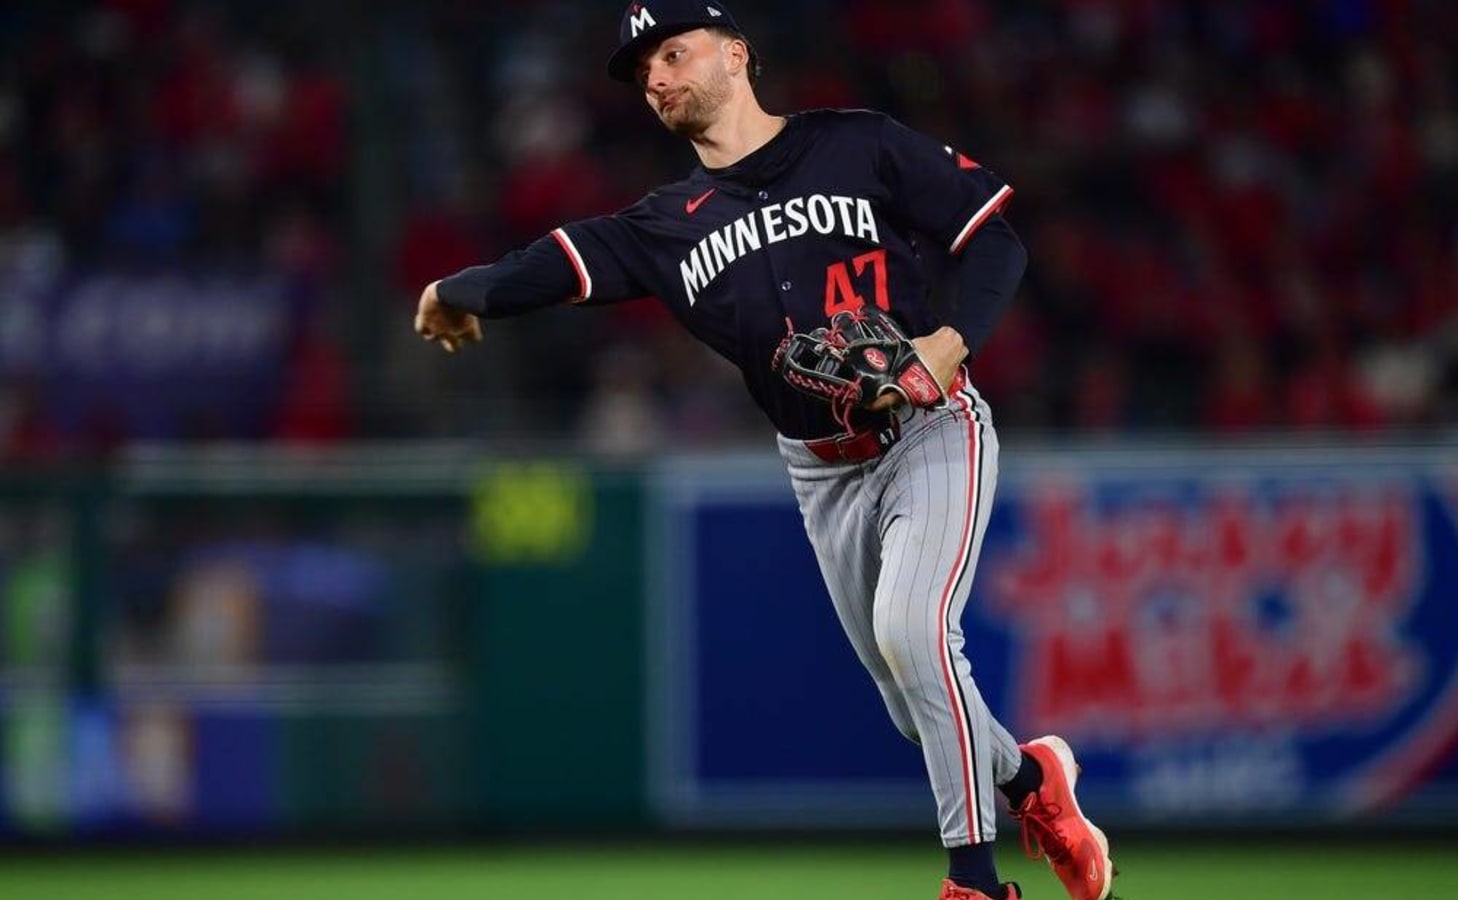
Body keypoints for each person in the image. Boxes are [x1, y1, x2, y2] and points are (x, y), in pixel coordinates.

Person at [412, 3, 1114, 898]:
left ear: (735, 54)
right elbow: (555, 261)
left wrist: (948, 343)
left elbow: (996, 239)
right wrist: (456, 287)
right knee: (913, 706)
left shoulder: (856, 144)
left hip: (930, 430)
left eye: (673, 52)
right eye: (642, 73)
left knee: (913, 633)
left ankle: (973, 881)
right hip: (820, 469)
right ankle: (1031, 781)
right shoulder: (667, 226)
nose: (657, 77)